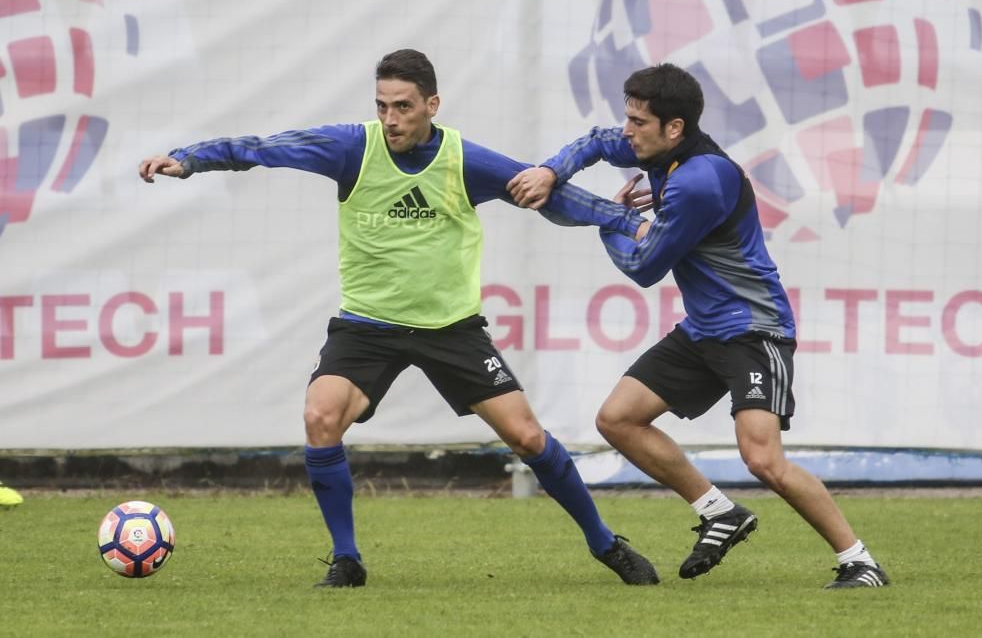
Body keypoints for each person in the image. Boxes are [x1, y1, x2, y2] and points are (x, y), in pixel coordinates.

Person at [138, 49, 659, 588]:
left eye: (404, 107)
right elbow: (265, 150)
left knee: (527, 438)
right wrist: (190, 159)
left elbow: (547, 194)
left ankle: (605, 544)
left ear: (432, 105)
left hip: (450, 328)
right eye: (383, 106)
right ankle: (347, 559)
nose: (391, 119)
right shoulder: (351, 147)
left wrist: (624, 220)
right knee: (320, 418)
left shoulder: (464, 159)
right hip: (368, 327)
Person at [507, 62, 890, 589]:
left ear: (675, 128)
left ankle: (860, 561)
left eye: (638, 121)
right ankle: (720, 512)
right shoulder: (655, 147)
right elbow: (597, 141)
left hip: (755, 331)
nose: (627, 130)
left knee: (762, 459)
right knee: (618, 419)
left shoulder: (700, 181)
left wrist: (611, 219)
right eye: (629, 117)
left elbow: (643, 267)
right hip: (705, 329)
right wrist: (551, 171)